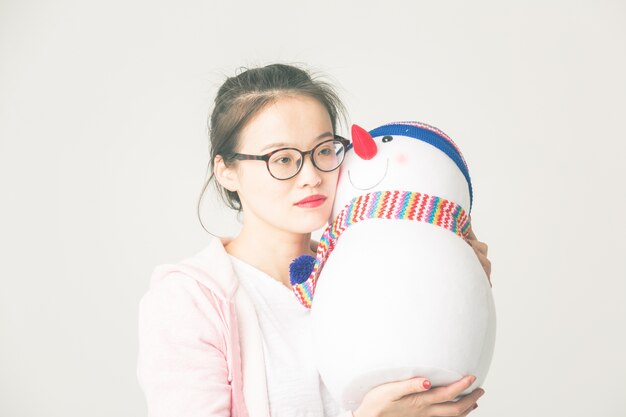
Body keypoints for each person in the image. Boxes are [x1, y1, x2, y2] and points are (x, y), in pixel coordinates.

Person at [137, 63, 492, 417]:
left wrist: (459, 293)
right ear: (226, 171)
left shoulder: (364, 272)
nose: (310, 176)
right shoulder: (189, 300)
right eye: (282, 158)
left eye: (323, 151)